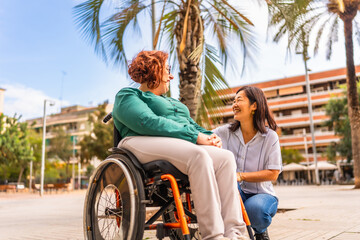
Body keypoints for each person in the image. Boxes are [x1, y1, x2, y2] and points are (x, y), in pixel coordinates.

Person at [112, 50, 249, 240]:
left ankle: (235, 234)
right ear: (154, 70)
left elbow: (191, 126)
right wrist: (194, 136)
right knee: (198, 156)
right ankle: (214, 236)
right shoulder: (129, 95)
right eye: (167, 69)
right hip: (138, 141)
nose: (171, 75)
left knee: (226, 158)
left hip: (176, 143)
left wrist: (210, 137)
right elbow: (146, 121)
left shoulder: (173, 103)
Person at [214, 86, 282, 240]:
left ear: (254, 106)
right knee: (229, 186)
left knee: (256, 211)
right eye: (233, 101)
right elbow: (204, 139)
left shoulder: (270, 137)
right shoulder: (223, 132)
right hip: (232, 191)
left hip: (261, 194)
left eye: (239, 100)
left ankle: (260, 230)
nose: (234, 104)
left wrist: (241, 176)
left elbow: (273, 174)